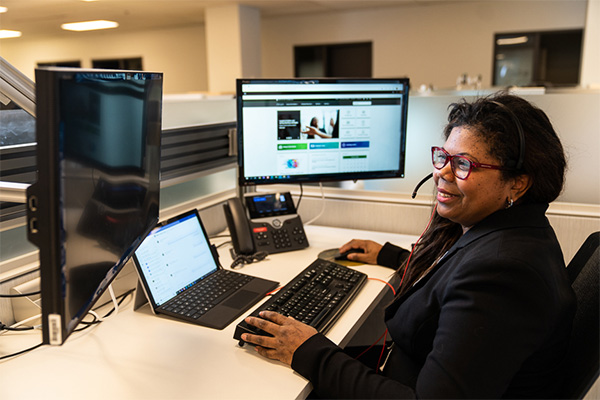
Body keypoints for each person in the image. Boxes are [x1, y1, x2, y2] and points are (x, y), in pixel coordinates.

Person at [241, 93, 576, 398]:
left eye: (463, 164)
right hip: (407, 371)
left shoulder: (503, 274)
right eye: (443, 157)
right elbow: (454, 280)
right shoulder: (511, 233)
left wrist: (306, 350)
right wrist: (389, 255)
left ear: (517, 183)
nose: (441, 173)